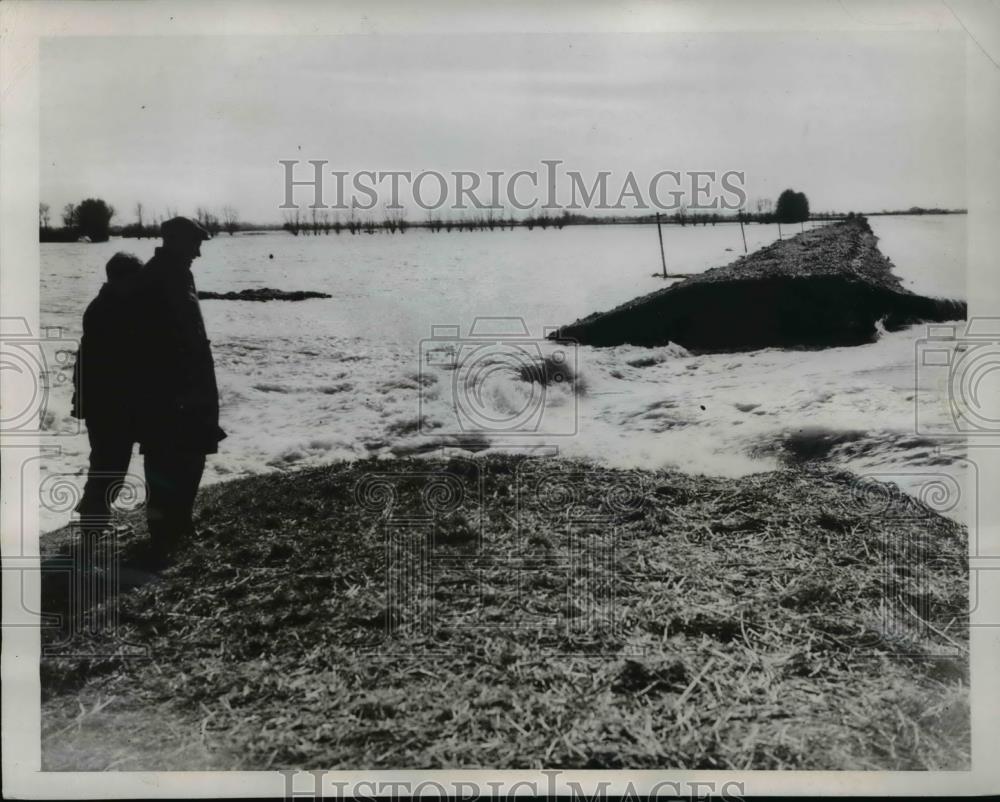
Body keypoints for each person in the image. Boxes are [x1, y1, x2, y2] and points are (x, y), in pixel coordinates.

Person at [134, 216, 225, 568]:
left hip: (188, 382)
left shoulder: (175, 271)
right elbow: (154, 339)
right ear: (174, 240)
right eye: (195, 244)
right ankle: (164, 532)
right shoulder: (159, 275)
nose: (199, 253)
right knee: (166, 456)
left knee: (189, 452)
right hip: (171, 387)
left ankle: (179, 524)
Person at [71, 252, 145, 531]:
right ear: (120, 279)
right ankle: (92, 523)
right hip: (108, 402)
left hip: (105, 400)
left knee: (107, 461)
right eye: (135, 279)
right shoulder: (108, 309)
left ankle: (95, 518)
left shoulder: (110, 304)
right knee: (109, 463)